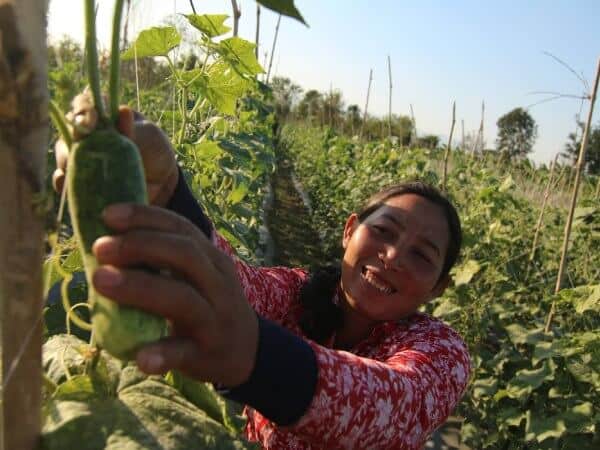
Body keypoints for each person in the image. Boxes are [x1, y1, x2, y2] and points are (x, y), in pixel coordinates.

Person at [53, 105, 471, 449]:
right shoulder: (297, 291)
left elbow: (391, 407)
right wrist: (167, 193)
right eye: (383, 231)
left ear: (438, 288)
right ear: (349, 232)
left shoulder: (443, 353)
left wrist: (255, 355)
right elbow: (234, 284)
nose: (394, 255)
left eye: (421, 255)